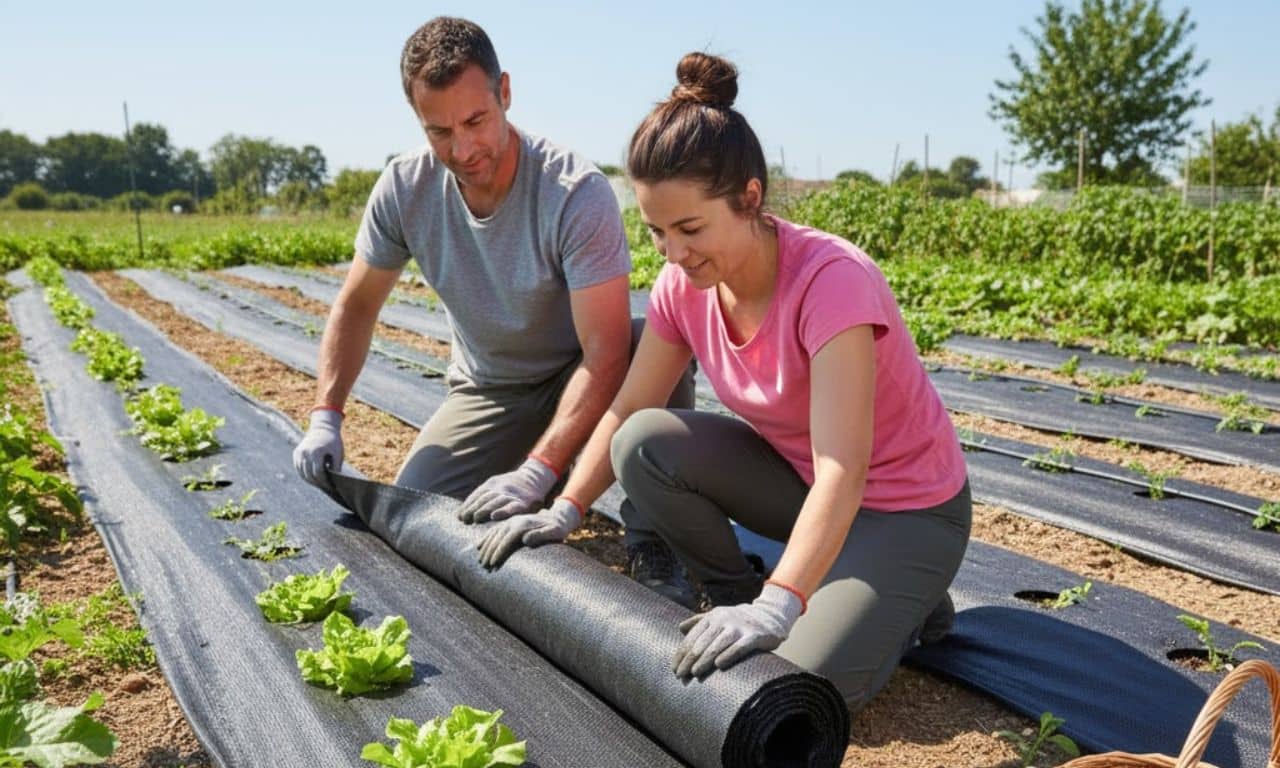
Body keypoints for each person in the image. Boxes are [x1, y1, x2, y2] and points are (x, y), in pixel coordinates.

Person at [473, 52, 971, 710]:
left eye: (690, 228)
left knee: (787, 688)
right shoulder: (686, 284)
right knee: (646, 442)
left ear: (750, 200)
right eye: (655, 233)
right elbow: (628, 408)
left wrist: (782, 609)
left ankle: (899, 599)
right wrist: (562, 507)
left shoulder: (832, 282)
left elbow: (845, 468)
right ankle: (738, 596)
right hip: (805, 488)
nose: (674, 254)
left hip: (906, 509)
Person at [292, 17, 691, 539]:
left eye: (476, 121)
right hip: (490, 389)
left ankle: (653, 538)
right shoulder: (404, 189)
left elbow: (606, 354)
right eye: (439, 131)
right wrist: (327, 414)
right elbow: (357, 305)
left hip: (582, 375)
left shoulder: (572, 193)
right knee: (418, 514)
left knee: (652, 345)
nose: (462, 149)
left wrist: (538, 468)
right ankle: (540, 468)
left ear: (504, 93)